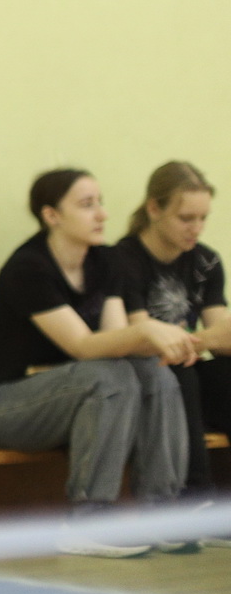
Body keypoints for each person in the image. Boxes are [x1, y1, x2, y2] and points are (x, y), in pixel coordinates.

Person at [0, 169, 197, 557]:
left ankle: (161, 511)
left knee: (153, 373)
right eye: (87, 205)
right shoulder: (29, 268)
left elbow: (115, 343)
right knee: (107, 377)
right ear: (51, 215)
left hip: (71, 392)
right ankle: (88, 521)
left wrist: (168, 341)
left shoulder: (105, 261)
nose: (102, 214)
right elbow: (85, 346)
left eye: (100, 202)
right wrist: (147, 330)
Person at [112, 161, 231, 504]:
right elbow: (138, 333)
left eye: (203, 218)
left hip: (184, 360)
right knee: (178, 370)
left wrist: (196, 341)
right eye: (186, 218)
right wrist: (195, 342)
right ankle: (196, 495)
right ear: (154, 209)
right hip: (143, 373)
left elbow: (221, 336)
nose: (197, 228)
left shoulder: (206, 261)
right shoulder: (123, 260)